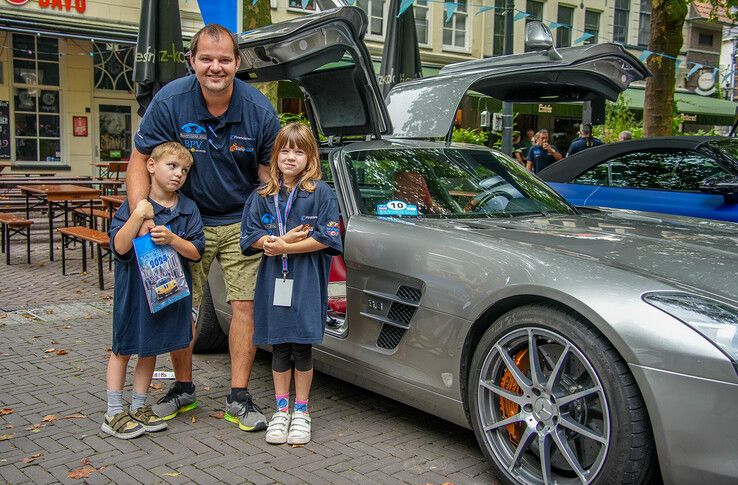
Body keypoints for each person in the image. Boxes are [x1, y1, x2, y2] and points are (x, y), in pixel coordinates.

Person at [126, 23, 281, 431]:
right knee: (181, 306)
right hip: (183, 220)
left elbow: (269, 175)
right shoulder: (170, 101)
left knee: (244, 307)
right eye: (207, 59)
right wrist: (142, 216)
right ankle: (182, 388)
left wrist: (273, 222)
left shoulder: (260, 111)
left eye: (225, 59)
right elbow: (139, 159)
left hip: (240, 221)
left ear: (237, 63)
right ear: (192, 61)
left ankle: (239, 397)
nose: (216, 67)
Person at [240, 123, 343, 445]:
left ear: (310, 156)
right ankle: (281, 410)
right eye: (285, 150)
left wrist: (285, 247)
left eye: (298, 151)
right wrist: (276, 241)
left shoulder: (322, 194)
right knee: (280, 346)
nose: (290, 156)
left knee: (302, 346)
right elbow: (250, 236)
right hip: (274, 281)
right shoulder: (261, 196)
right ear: (275, 155)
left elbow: (327, 238)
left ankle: (302, 411)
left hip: (307, 282)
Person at [103, 142, 205, 439]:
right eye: (171, 166)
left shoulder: (188, 209)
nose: (178, 175)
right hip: (133, 293)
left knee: (149, 350)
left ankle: (138, 406)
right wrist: (138, 216)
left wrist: (172, 239)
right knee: (123, 348)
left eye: (184, 170)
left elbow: (196, 252)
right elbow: (119, 247)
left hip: (164, 294)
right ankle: (112, 411)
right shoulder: (134, 205)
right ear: (151, 166)